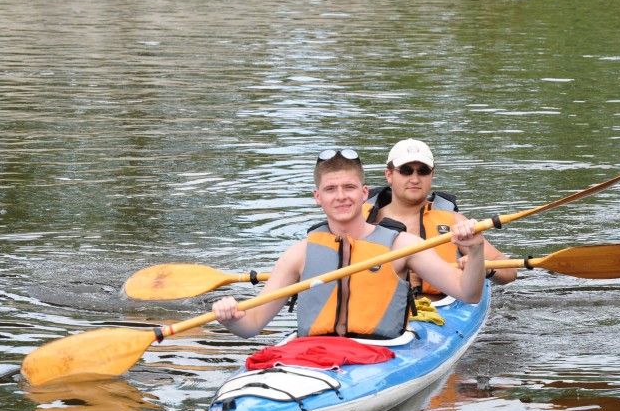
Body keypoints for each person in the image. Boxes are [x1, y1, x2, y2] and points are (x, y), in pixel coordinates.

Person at [212, 149, 488, 339]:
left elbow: (468, 292)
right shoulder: (299, 255)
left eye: (349, 187)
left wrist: (475, 250)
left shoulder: (402, 245)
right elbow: (253, 325)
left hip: (382, 353)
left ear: (364, 192)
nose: (341, 197)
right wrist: (231, 318)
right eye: (331, 189)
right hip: (316, 354)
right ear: (317, 197)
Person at [364, 139, 516, 297]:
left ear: (432, 175)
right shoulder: (363, 221)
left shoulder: (455, 221)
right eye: (406, 171)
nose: (415, 179)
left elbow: (509, 272)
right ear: (389, 175)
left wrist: (482, 266)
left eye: (423, 171)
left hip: (440, 308)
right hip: (381, 306)